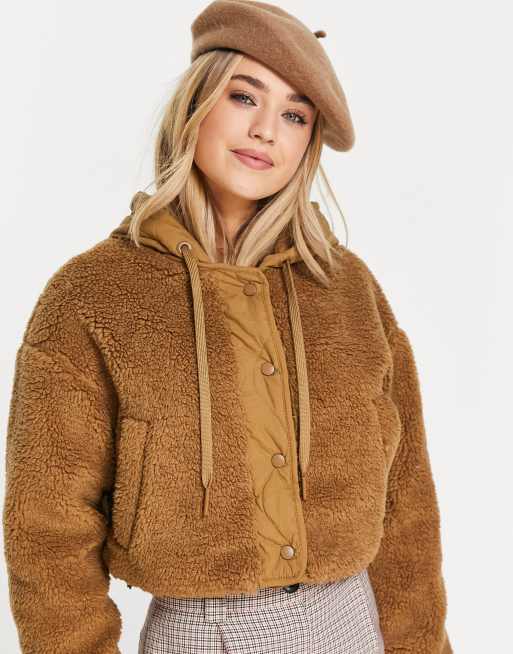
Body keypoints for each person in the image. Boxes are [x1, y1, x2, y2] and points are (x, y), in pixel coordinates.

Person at [3, 1, 453, 653]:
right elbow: (46, 528)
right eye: (244, 97)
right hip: (202, 630)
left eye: (294, 114)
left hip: (353, 622)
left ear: (308, 142)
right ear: (195, 103)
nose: (265, 130)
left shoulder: (347, 288)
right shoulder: (92, 294)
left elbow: (406, 499)